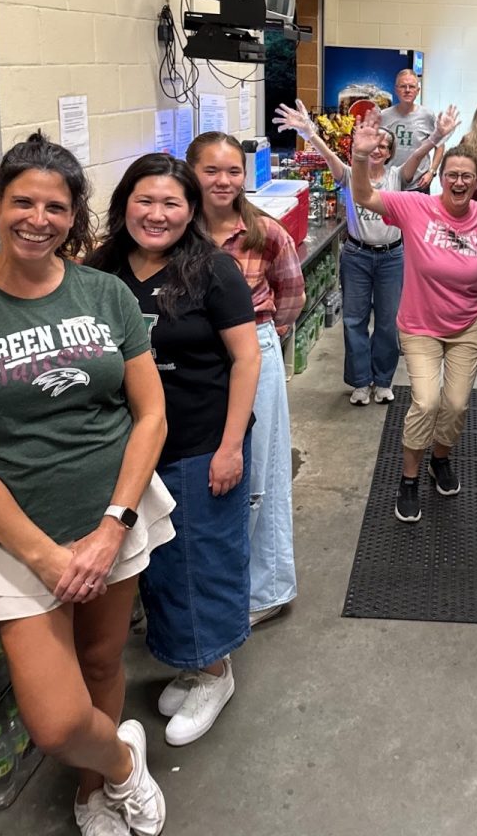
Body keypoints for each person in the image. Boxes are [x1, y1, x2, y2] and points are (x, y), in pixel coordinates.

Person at [0, 133, 171, 836]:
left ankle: (94, 792)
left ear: (74, 217)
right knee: (55, 721)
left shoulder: (105, 293)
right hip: (12, 541)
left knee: (100, 659)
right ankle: (122, 761)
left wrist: (114, 523)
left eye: (55, 207)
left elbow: (149, 415)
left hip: (108, 519)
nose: (38, 218)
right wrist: (44, 554)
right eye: (22, 201)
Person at [89, 155, 261, 748]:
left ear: (189, 211)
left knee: (201, 560)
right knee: (157, 567)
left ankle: (215, 671)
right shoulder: (102, 268)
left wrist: (231, 446)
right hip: (132, 447)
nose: (156, 214)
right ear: (124, 203)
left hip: (198, 441)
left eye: (171, 203)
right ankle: (192, 663)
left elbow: (247, 358)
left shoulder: (212, 269)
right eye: (145, 200)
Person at [185, 131, 305, 629]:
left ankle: (267, 589)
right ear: (191, 171)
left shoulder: (263, 233)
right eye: (211, 170)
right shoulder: (177, 229)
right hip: (194, 356)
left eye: (233, 171)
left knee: (262, 469)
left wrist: (259, 342)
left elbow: (290, 296)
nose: (223, 180)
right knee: (206, 465)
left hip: (253, 348)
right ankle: (211, 582)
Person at [350, 110, 477, 522]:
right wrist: (360, 159)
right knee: (427, 402)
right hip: (420, 326)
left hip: (468, 324)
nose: (460, 182)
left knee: (457, 403)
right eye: (453, 175)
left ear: (475, 180)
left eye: (467, 176)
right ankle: (409, 478)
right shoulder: (415, 207)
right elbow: (363, 197)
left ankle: (440, 459)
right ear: (440, 176)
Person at [273, 99, 459, 406]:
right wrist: (308, 132)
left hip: (392, 257)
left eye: (384, 146)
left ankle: (383, 379)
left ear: (388, 153)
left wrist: (437, 137)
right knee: (354, 321)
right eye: (374, 144)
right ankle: (360, 381)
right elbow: (327, 154)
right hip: (357, 256)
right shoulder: (349, 173)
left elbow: (417, 154)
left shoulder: (397, 176)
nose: (378, 150)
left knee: (387, 322)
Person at [379, 68, 442, 191]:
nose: (407, 90)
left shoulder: (427, 115)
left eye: (412, 87)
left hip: (418, 185)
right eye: (403, 86)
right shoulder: (383, 116)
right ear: (396, 90)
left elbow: (440, 145)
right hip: (390, 184)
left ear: (418, 90)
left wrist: (432, 172)